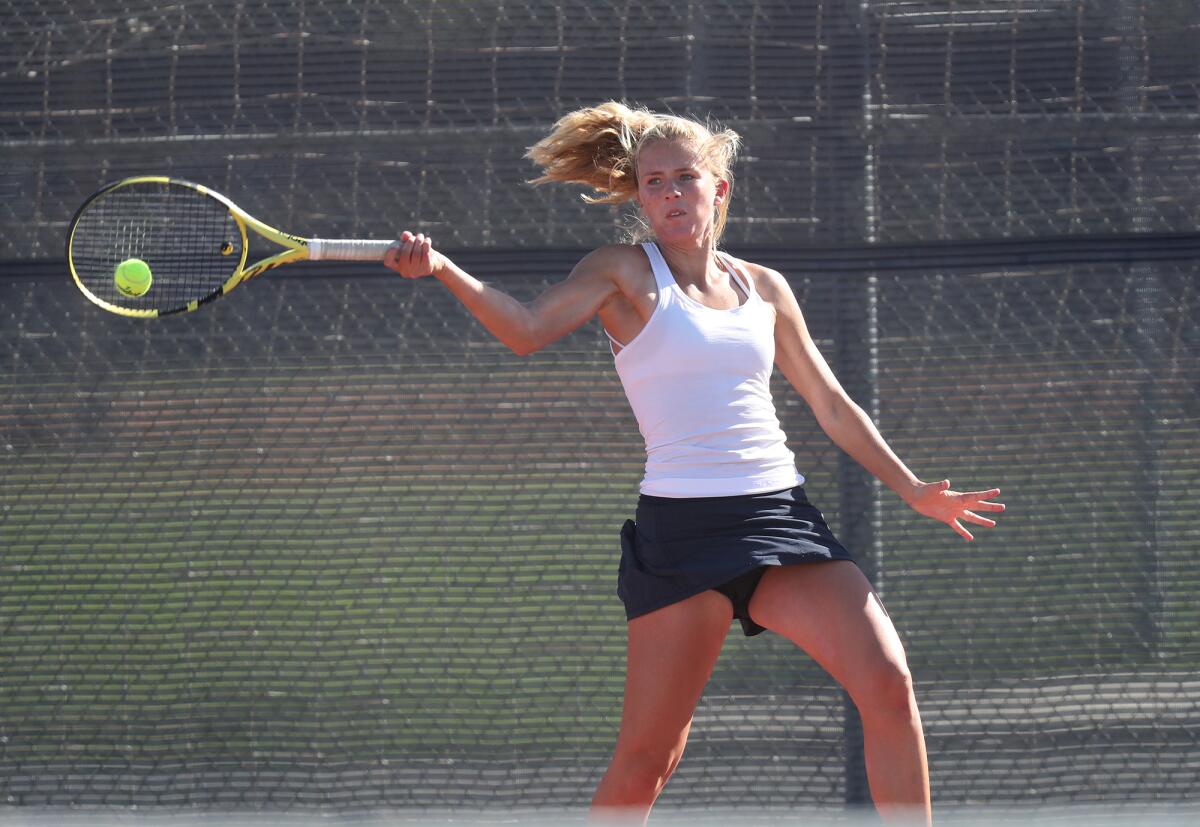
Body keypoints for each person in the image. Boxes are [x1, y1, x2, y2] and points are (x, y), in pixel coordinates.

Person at [383, 100, 1004, 825]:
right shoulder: (621, 273)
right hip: (682, 534)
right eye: (654, 183)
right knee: (650, 759)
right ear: (639, 196)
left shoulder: (764, 287)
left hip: (781, 519)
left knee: (890, 684)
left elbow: (831, 403)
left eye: (686, 178)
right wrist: (446, 269)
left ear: (720, 189)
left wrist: (912, 487)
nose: (671, 194)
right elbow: (525, 330)